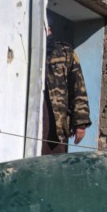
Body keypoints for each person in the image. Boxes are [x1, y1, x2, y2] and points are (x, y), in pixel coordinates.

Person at [42, 23, 91, 155]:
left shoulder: (66, 52)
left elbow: (78, 88)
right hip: (31, 120)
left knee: (55, 164)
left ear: (50, 30)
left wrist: (80, 123)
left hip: (57, 125)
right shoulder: (29, 50)